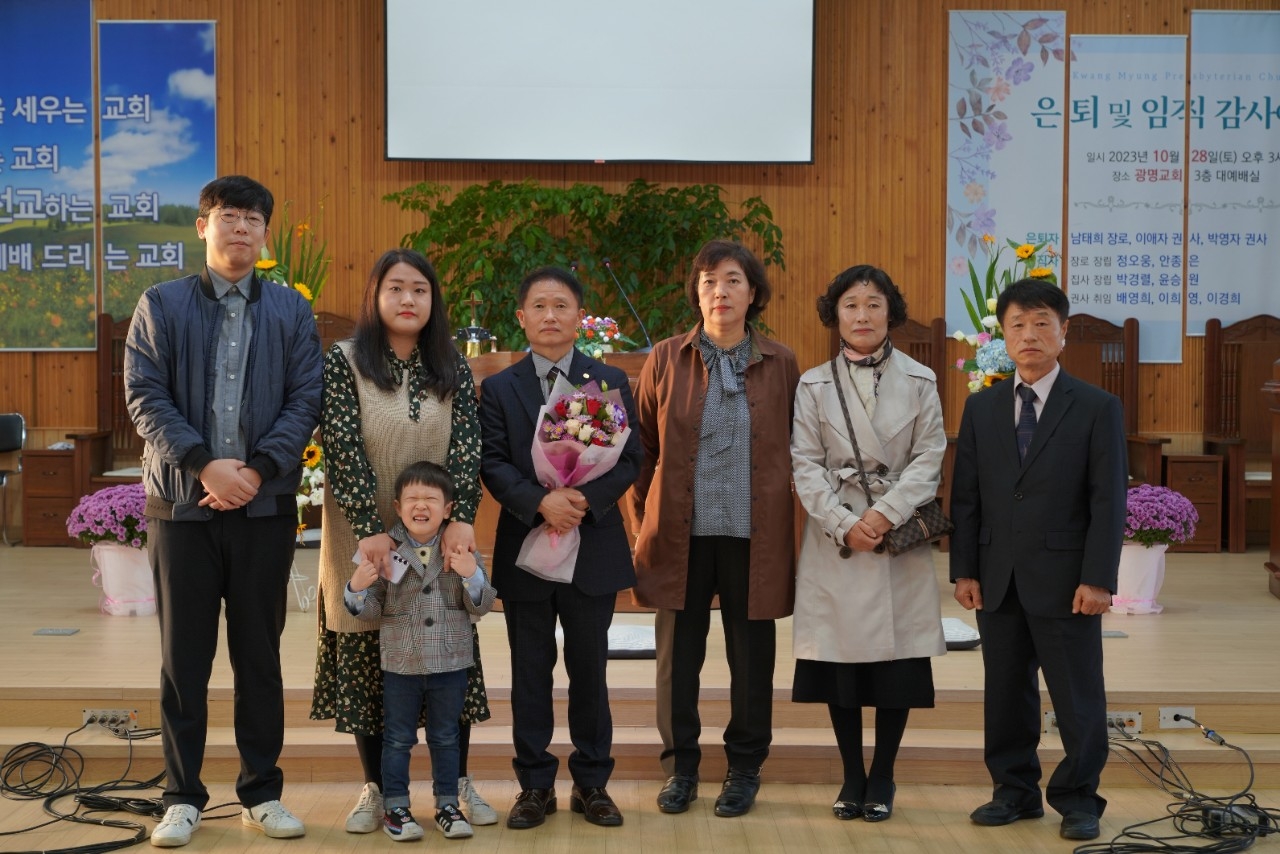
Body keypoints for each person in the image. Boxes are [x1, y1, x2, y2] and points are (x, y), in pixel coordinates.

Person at [124, 175, 322, 848]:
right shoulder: (161, 303)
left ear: (265, 234)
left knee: (259, 657)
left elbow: (306, 398)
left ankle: (261, 793)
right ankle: (181, 796)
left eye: (253, 219)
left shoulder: (291, 310)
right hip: (182, 508)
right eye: (229, 216)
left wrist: (257, 471)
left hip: (265, 510)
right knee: (184, 660)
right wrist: (205, 464)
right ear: (203, 226)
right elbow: (145, 395)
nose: (241, 228)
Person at [310, 248, 497, 832]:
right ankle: (378, 789)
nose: (408, 299)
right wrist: (370, 528)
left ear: (433, 300)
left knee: (447, 649)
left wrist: (462, 516)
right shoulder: (344, 361)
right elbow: (341, 445)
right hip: (362, 532)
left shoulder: (452, 364)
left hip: (441, 531)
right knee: (370, 654)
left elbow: (467, 442)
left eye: (420, 289)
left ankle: (455, 785)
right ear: (375, 296)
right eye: (396, 288)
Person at [950, 277, 1126, 843]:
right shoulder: (981, 407)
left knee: (1077, 694)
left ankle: (1079, 798)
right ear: (1003, 335)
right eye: (1018, 324)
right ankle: (1014, 791)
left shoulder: (1096, 407)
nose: (1029, 335)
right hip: (996, 577)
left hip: (1067, 580)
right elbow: (966, 496)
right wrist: (965, 569)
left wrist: (1098, 579)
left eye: (1042, 323)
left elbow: (1108, 500)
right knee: (1005, 693)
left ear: (1063, 332)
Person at [629, 239, 800, 819]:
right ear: (696, 294)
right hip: (681, 533)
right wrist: (641, 525)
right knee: (678, 659)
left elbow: (800, 448)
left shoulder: (781, 362)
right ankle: (681, 768)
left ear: (753, 294)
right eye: (708, 282)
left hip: (756, 535)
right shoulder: (665, 358)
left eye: (732, 280)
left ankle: (745, 768)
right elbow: (640, 450)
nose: (719, 291)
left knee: (752, 658)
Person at [478, 266, 642, 830]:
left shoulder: (609, 379)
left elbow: (631, 458)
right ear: (521, 318)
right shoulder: (500, 387)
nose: (550, 316)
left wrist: (582, 500)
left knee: (590, 670)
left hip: (591, 544)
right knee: (530, 671)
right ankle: (535, 785)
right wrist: (540, 502)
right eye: (539, 306)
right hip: (527, 544)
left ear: (579, 317)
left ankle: (592, 783)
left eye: (562, 306)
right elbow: (492, 461)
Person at [789, 265, 947, 822]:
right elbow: (804, 463)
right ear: (835, 314)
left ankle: (883, 775)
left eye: (873, 304)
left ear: (890, 313)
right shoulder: (813, 384)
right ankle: (851, 775)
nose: (862, 315)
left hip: (894, 536)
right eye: (851, 305)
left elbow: (930, 457)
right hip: (836, 539)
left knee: (895, 665)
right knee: (842, 664)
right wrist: (843, 523)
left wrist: (882, 516)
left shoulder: (922, 380)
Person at [344, 460, 497, 842]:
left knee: (446, 738)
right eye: (412, 498)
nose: (421, 505)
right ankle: (396, 807)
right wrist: (356, 587)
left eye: (431, 498)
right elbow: (371, 611)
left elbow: (480, 607)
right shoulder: (387, 549)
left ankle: (448, 805)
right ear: (397, 507)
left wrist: (471, 574)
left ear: (448, 508)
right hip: (401, 663)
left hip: (450, 662)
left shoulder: (460, 547)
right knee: (397, 740)